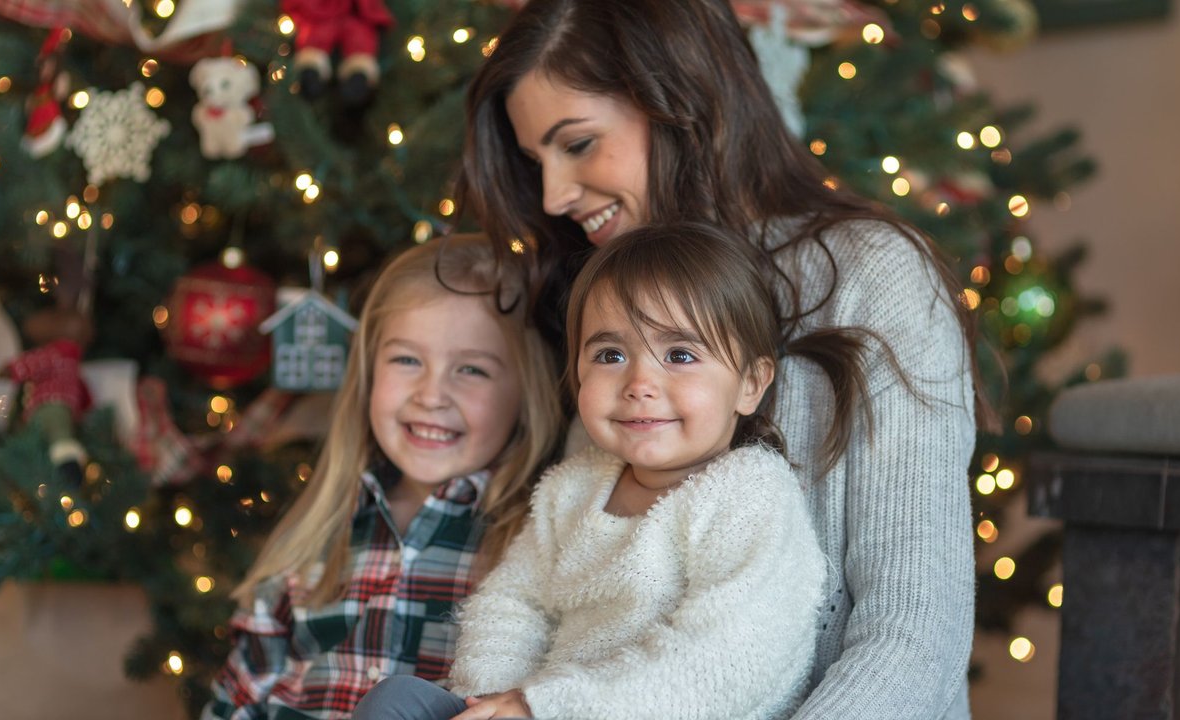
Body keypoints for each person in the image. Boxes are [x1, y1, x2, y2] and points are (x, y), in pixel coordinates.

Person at [455, 1, 990, 717]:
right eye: (534, 163)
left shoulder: (874, 272)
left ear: (680, 104)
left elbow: (913, 631)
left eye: (578, 144)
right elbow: (569, 606)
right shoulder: (608, 298)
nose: (553, 196)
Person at [353, 222, 872, 720]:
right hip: (543, 706)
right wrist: (491, 697)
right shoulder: (572, 488)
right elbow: (515, 603)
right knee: (396, 702)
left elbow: (725, 661)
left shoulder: (747, 495)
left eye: (680, 354)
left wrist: (548, 705)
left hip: (656, 711)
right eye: (610, 353)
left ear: (750, 384)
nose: (639, 382)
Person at [202, 234, 562, 720]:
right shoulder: (318, 533)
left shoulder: (537, 542)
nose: (431, 394)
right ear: (369, 372)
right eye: (407, 360)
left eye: (472, 369)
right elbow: (238, 700)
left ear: (527, 391)